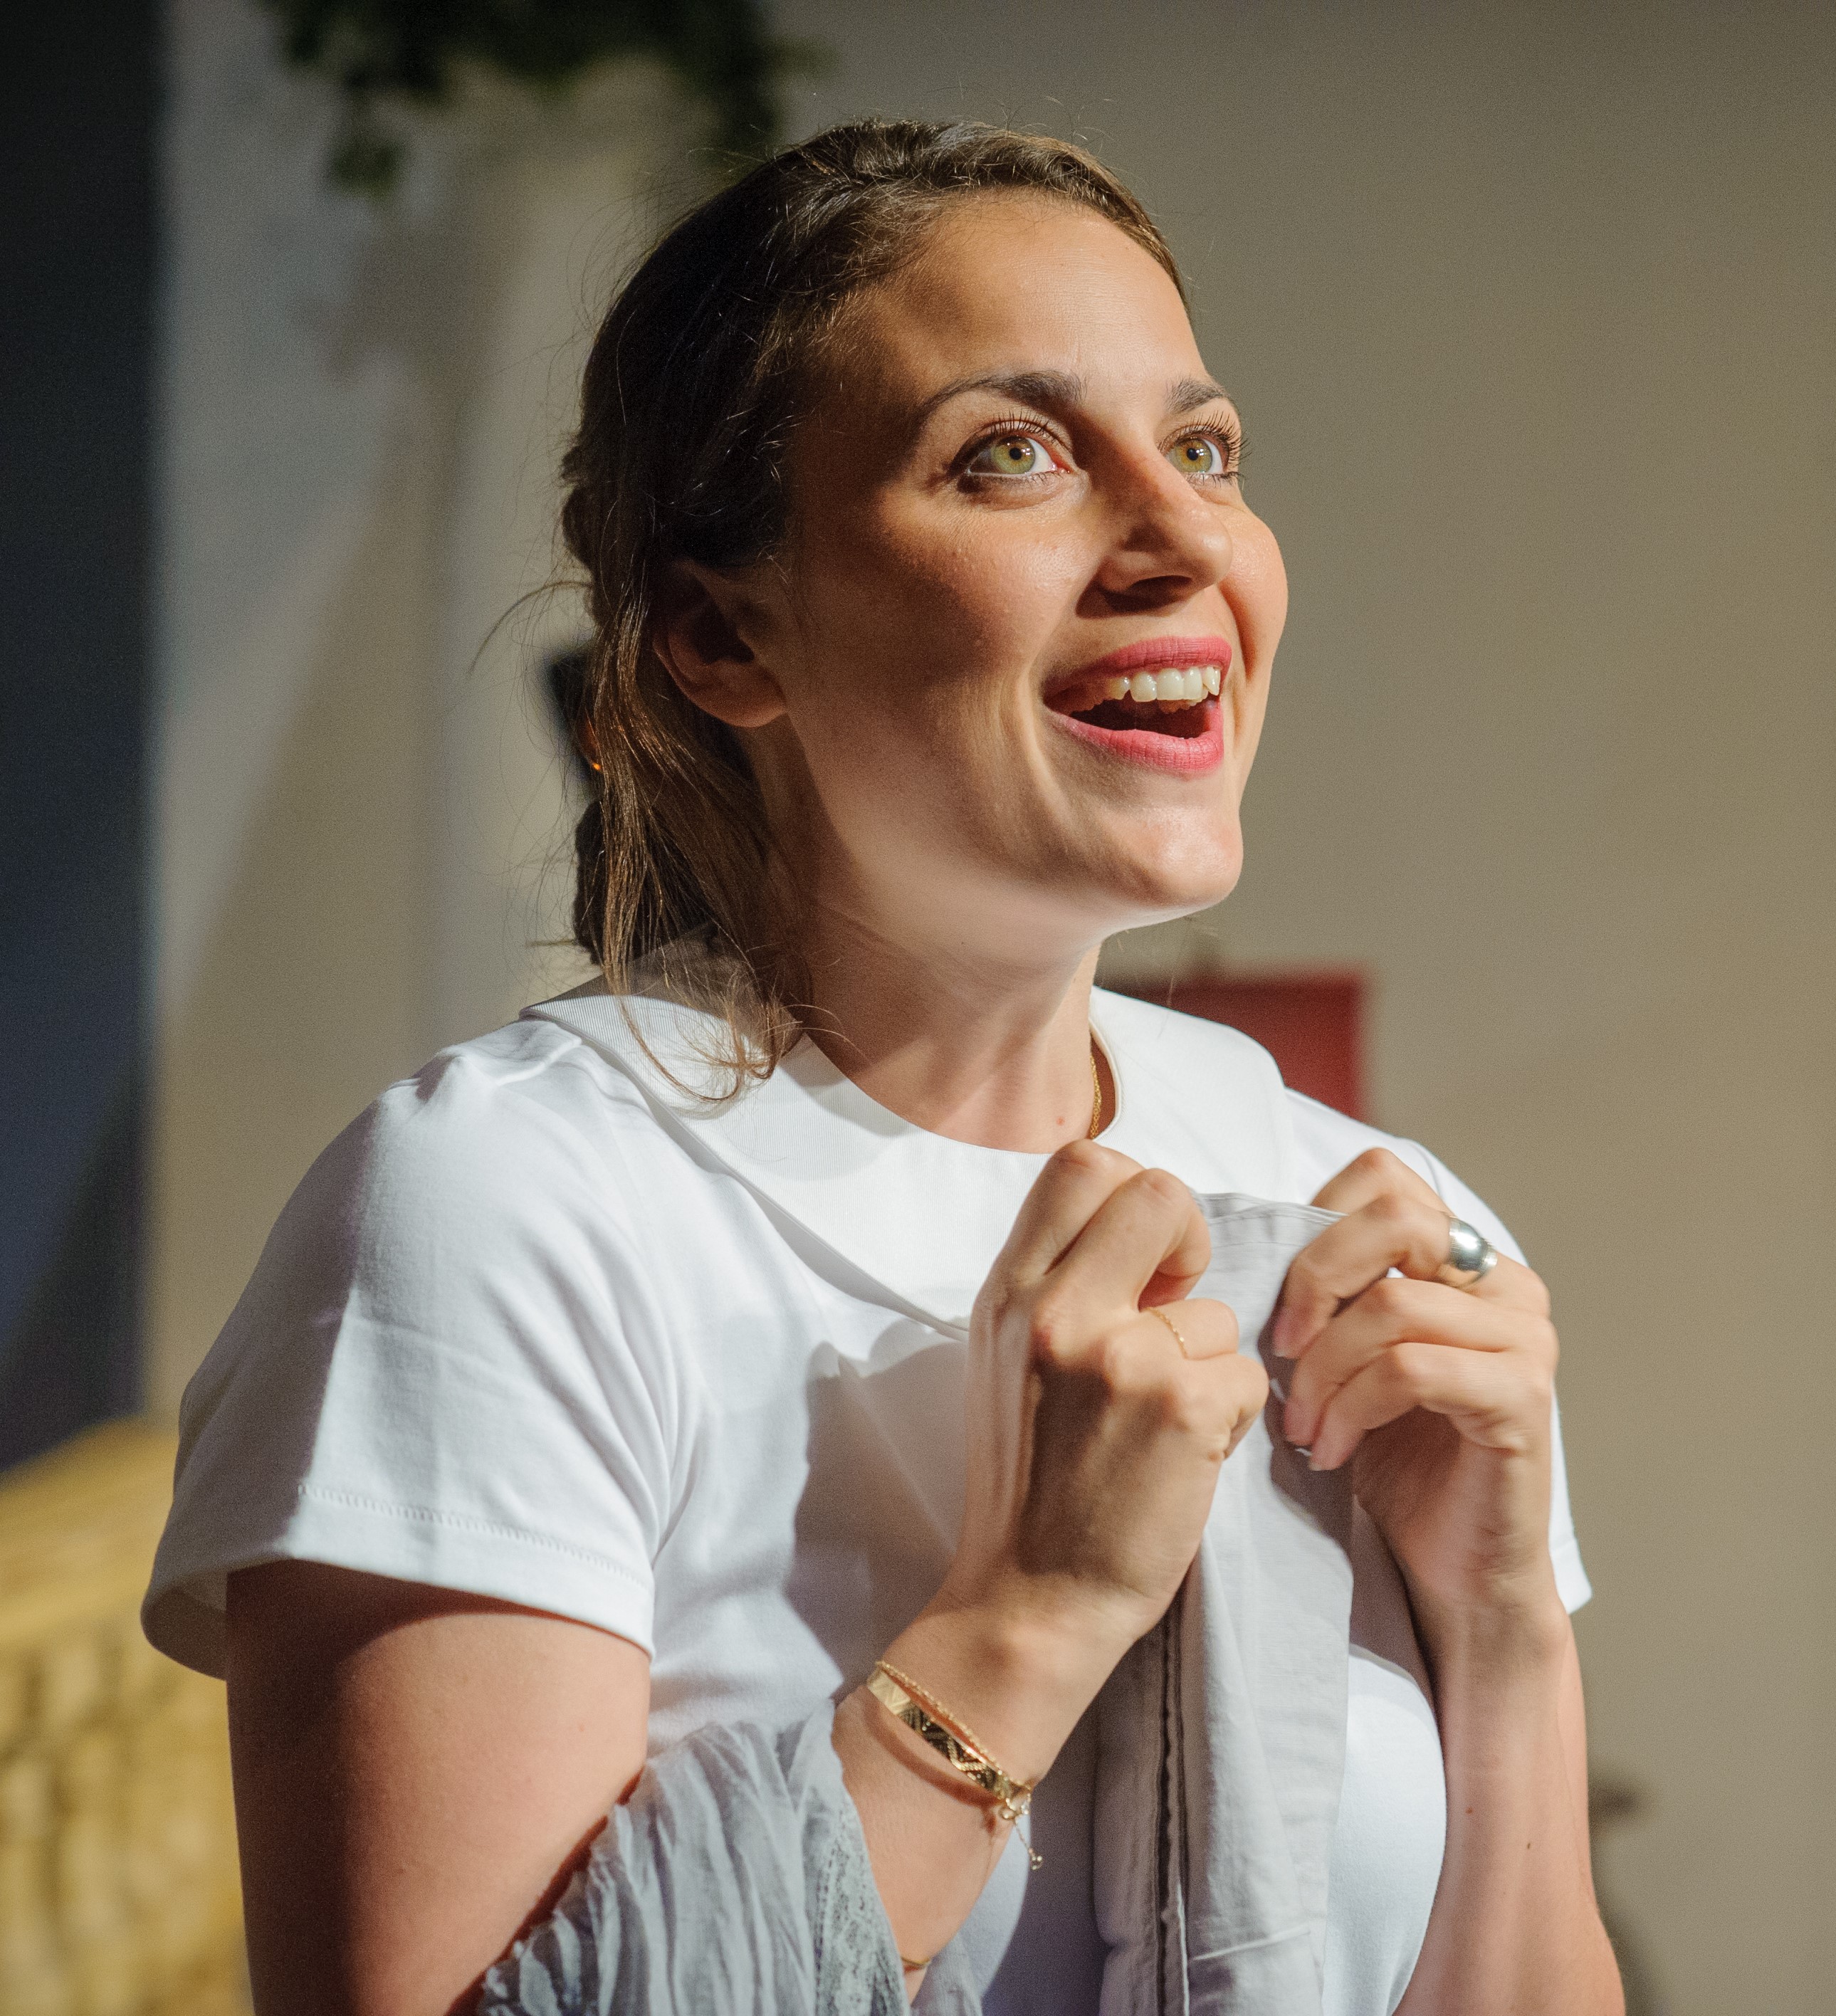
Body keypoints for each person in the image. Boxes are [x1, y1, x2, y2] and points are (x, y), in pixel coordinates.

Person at [144, 120, 1622, 2016]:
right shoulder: (505, 1215)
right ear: (719, 634)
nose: (1185, 540)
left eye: (1204, 451)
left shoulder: (1372, 1224)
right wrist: (1032, 1613)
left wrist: (1503, 1629)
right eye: (1011, 456)